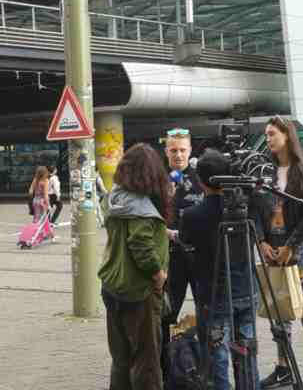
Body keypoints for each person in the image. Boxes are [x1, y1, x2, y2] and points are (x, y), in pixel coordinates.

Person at [258, 117, 303, 390]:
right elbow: (257, 210)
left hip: (300, 249)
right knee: (280, 313)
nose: (268, 139)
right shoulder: (266, 171)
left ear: (287, 135)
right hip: (273, 250)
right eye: (266, 135)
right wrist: (263, 241)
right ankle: (283, 367)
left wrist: (291, 246)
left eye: (272, 134)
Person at [178, 148, 259, 390]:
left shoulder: (193, 215)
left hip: (215, 295)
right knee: (246, 351)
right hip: (247, 290)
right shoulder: (246, 207)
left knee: (217, 356)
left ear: (201, 182)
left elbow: (187, 243)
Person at [98, 143, 171, 390]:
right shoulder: (140, 207)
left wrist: (163, 232)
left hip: (112, 285)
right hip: (138, 291)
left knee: (120, 358)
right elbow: (140, 243)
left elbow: (128, 233)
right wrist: (158, 273)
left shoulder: (117, 198)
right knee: (146, 361)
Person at [163, 128, 202, 328]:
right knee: (167, 313)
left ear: (190, 151)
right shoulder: (160, 180)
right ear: (166, 152)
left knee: (204, 310)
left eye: (182, 150)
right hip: (171, 257)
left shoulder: (201, 178)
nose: (178, 155)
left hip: (198, 256)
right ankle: (165, 356)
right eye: (173, 150)